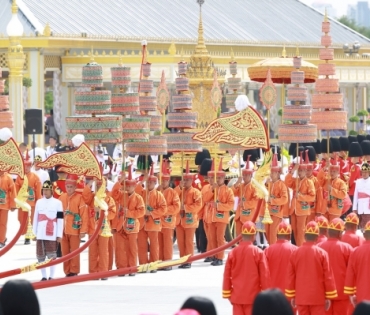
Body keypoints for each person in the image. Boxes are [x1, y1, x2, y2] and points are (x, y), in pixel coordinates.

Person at [285, 221, 337, 315]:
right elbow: (328, 277)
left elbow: (291, 276)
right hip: (318, 297)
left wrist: (292, 295)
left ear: (304, 236)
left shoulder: (295, 253)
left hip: (301, 297)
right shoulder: (322, 254)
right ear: (317, 237)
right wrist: (329, 296)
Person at [223, 221, 270, 315]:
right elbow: (264, 275)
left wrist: (227, 293)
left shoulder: (233, 252)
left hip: (237, 297)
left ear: (242, 235)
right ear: (254, 236)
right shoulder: (258, 252)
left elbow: (227, 275)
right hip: (253, 297)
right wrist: (266, 294)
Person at [111, 165, 145, 276]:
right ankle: (121, 268)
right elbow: (113, 194)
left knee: (132, 248)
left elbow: (141, 211)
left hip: (132, 225)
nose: (129, 187)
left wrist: (129, 213)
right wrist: (120, 181)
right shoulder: (121, 195)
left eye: (131, 186)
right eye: (127, 185)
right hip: (120, 225)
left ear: (135, 186)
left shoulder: (138, 198)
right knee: (120, 248)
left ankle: (132, 268)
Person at [82, 177, 116, 280]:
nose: (99, 187)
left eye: (101, 185)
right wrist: (91, 181)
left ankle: (103, 272)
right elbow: (85, 195)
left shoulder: (109, 199)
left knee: (103, 251)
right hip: (92, 228)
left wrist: (103, 212)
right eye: (98, 185)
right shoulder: (92, 197)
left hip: (104, 229)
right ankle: (93, 272)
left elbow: (113, 214)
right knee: (92, 252)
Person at [317, 218, 353, 315]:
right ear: (340, 233)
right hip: (342, 293)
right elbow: (353, 272)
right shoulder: (347, 248)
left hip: (323, 293)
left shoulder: (318, 247)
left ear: (328, 232)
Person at [32, 180, 63, 280]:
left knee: (52, 256)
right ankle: (44, 276)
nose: (45, 192)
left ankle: (51, 276)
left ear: (51, 191)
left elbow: (60, 219)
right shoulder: (39, 202)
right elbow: (36, 217)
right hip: (40, 232)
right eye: (44, 190)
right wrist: (34, 233)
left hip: (52, 232)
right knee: (41, 255)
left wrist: (59, 234)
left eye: (47, 190)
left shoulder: (58, 203)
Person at [137, 165, 166, 270]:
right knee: (141, 245)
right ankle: (143, 265)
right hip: (141, 224)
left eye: (151, 182)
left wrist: (152, 213)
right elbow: (134, 190)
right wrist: (142, 181)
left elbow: (163, 209)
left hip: (153, 223)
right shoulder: (141, 193)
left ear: (155, 183)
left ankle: (153, 265)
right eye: (147, 182)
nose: (149, 184)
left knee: (154, 245)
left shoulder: (159, 195)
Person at [59, 174, 88, 276]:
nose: (69, 189)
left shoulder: (80, 198)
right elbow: (58, 214)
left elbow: (84, 214)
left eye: (71, 187)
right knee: (65, 251)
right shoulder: (61, 197)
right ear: (65, 186)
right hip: (63, 229)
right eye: (68, 186)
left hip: (75, 229)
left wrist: (83, 231)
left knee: (75, 251)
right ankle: (67, 271)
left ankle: (74, 270)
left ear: (75, 187)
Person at [174, 161, 202, 269]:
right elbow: (173, 196)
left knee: (189, 241)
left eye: (187, 180)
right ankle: (182, 260)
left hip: (190, 220)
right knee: (180, 241)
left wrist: (185, 208)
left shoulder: (196, 192)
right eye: (184, 180)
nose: (185, 182)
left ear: (191, 180)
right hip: (179, 220)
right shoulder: (180, 190)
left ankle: (189, 260)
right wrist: (179, 188)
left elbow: (198, 205)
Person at [285, 153, 316, 247]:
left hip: (302, 209)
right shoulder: (296, 180)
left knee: (301, 230)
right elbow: (287, 182)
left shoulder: (309, 182)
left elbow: (312, 197)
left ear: (306, 171)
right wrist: (293, 170)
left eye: (302, 170)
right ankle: (298, 246)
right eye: (299, 170)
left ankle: (301, 247)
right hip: (294, 209)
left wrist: (301, 197)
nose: (300, 172)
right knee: (294, 229)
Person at [208, 159, 234, 266]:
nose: (218, 179)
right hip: (212, 217)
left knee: (220, 238)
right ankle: (215, 256)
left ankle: (220, 257)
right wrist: (211, 191)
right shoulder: (212, 188)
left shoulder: (228, 191)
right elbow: (204, 199)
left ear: (224, 178)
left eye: (220, 178)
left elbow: (231, 205)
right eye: (217, 177)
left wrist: (218, 205)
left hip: (222, 218)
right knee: (212, 238)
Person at [15, 151, 42, 245]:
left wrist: (39, 201)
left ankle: (28, 235)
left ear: (31, 167)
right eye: (24, 166)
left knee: (31, 219)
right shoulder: (20, 177)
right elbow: (16, 189)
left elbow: (38, 190)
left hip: (32, 202)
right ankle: (25, 232)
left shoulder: (35, 177)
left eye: (28, 166)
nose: (26, 168)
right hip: (22, 202)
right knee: (21, 219)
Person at [157, 160, 180, 267]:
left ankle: (168, 262)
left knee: (167, 243)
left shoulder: (173, 192)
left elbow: (176, 207)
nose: (163, 183)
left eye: (165, 181)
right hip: (157, 222)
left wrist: (164, 210)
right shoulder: (156, 192)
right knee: (159, 243)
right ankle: (160, 262)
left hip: (168, 221)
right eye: (162, 181)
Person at [264, 152, 289, 245]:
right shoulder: (269, 184)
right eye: (271, 172)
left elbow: (284, 199)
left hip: (277, 212)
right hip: (267, 212)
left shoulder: (281, 184)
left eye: (273, 172)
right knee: (267, 232)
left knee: (273, 233)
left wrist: (273, 200)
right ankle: (271, 250)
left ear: (278, 173)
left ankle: (273, 251)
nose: (271, 174)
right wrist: (265, 185)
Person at [264, 221, 297, 292]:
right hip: (290, 293)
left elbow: (263, 273)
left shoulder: (267, 250)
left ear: (277, 235)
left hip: (271, 294)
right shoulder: (295, 250)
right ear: (289, 236)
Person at [232, 155, 260, 237]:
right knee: (238, 236)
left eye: (246, 175)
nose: (244, 177)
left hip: (249, 216)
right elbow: (232, 193)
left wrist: (244, 204)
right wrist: (237, 183)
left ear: (251, 176)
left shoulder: (254, 187)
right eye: (243, 175)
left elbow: (255, 202)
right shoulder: (240, 185)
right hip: (239, 216)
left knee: (248, 237)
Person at [344, 220, 370, 306]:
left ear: (364, 235)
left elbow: (350, 275)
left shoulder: (355, 252)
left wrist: (350, 294)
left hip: (362, 296)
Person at [0, 170, 17, 248]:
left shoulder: (8, 177)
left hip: (4, 205)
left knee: (2, 223)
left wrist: (13, 205)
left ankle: (2, 240)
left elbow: (13, 191)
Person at [352, 162, 370, 231]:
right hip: (360, 207)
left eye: (366, 172)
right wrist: (354, 208)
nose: (364, 174)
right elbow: (356, 195)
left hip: (368, 207)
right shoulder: (358, 181)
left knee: (367, 227)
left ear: (369, 172)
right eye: (363, 172)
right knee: (360, 227)